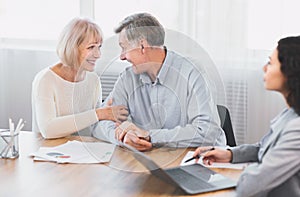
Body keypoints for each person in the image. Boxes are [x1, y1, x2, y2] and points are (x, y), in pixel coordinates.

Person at [93, 13, 226, 151]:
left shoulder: (192, 72)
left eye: (124, 48)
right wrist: (122, 136)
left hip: (202, 161)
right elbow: (99, 124)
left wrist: (150, 136)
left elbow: (207, 132)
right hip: (155, 159)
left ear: (142, 46)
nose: (121, 57)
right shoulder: (127, 78)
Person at [193, 36, 300, 197]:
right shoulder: (290, 113)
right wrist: (229, 154)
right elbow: (263, 148)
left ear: (290, 72)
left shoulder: (297, 127)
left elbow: (250, 186)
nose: (264, 68)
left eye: (270, 63)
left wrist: (248, 169)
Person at [32, 17, 128, 139]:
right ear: (72, 48)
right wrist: (99, 114)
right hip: (49, 151)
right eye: (91, 47)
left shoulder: (93, 80)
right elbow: (48, 130)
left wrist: (112, 121)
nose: (98, 55)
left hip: (83, 152)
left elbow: (94, 123)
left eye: (99, 47)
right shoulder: (45, 80)